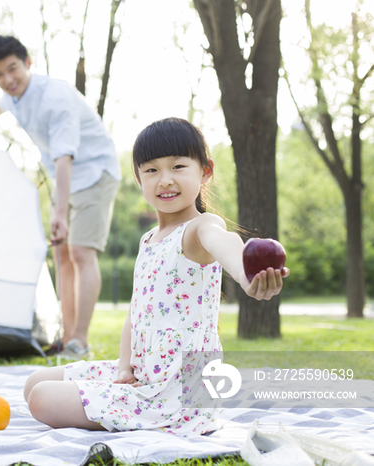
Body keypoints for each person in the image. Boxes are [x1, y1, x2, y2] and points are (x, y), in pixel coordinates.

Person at [22, 117, 290, 435]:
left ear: (205, 171)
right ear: (138, 178)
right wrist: (124, 368)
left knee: (41, 398)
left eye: (178, 167)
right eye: (152, 170)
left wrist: (250, 280)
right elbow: (137, 312)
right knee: (35, 382)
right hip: (143, 374)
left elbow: (228, 246)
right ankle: (122, 391)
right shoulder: (148, 240)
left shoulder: (200, 228)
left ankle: (139, 410)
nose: (164, 180)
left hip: (178, 395)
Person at [0, 35, 121, 359]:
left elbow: (64, 158)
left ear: (28, 63)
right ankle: (67, 335)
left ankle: (80, 342)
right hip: (67, 181)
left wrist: (58, 211)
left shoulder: (54, 98)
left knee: (82, 253)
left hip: (94, 173)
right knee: (63, 257)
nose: (8, 80)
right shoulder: (12, 96)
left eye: (13, 69)